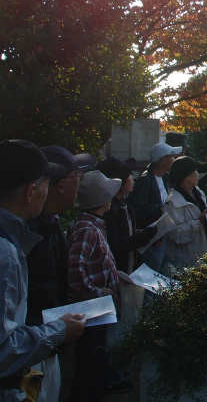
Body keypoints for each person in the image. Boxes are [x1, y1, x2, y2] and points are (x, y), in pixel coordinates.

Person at [0, 140, 85, 402]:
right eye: (46, 184)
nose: (47, 192)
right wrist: (59, 330)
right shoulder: (6, 252)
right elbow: (4, 349)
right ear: (30, 191)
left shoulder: (17, 239)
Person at [67, 170, 124, 401]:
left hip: (98, 310)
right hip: (92, 311)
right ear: (103, 201)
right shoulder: (87, 230)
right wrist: (99, 292)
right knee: (89, 367)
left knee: (95, 362)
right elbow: (75, 272)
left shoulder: (93, 226)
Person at [27, 146, 94, 325]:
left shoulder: (51, 222)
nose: (80, 185)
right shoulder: (30, 234)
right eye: (78, 177)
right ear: (62, 185)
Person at [97, 157, 156, 273]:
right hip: (117, 270)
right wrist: (143, 237)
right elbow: (117, 245)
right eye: (129, 175)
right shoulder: (109, 210)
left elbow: (129, 232)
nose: (132, 179)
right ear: (120, 181)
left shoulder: (124, 204)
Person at [129, 142, 181, 271]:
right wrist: (161, 208)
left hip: (164, 234)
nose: (174, 159)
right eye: (171, 156)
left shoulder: (165, 178)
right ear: (161, 160)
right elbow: (139, 210)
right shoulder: (145, 180)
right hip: (152, 238)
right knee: (152, 272)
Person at [163, 157, 207, 272]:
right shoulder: (172, 202)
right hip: (188, 261)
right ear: (186, 177)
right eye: (194, 172)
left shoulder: (198, 192)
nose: (197, 174)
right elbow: (176, 235)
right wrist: (199, 222)